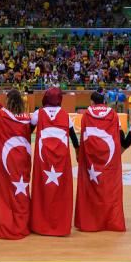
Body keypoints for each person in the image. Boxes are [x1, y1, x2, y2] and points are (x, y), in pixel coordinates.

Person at [75, 91, 131, 232]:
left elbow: (84, 135)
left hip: (91, 156)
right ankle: (110, 220)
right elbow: (120, 134)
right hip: (109, 155)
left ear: (92, 102)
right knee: (109, 187)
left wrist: (80, 153)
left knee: (92, 187)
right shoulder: (113, 114)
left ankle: (91, 219)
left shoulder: (87, 114)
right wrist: (122, 148)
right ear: (104, 101)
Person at [30, 87, 79, 236]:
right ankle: (60, 224)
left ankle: (40, 224)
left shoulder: (39, 113)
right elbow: (74, 139)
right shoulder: (65, 115)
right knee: (60, 190)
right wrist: (78, 152)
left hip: (42, 157)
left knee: (42, 188)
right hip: (61, 159)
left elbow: (26, 130)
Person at [0, 89, 32, 240]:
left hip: (5, 158)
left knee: (3, 190)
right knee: (21, 190)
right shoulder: (27, 118)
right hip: (22, 158)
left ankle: (4, 222)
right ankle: (22, 223)